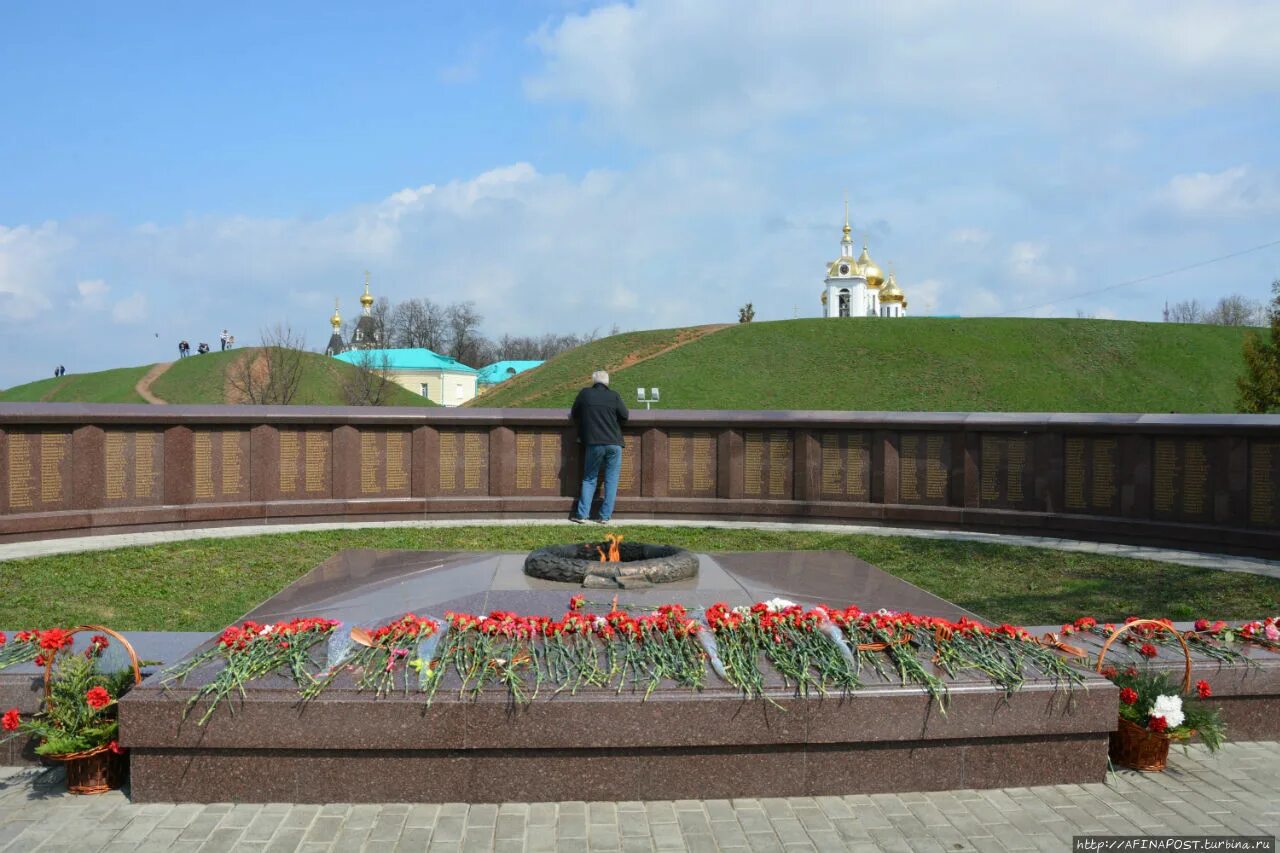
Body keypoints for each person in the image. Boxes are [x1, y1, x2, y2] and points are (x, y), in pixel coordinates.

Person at [569, 370, 629, 524]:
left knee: (590, 478)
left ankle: (582, 515)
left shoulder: (585, 394)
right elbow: (625, 415)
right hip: (614, 442)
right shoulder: (614, 395)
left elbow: (574, 412)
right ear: (607, 382)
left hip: (594, 442)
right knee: (612, 480)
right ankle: (604, 517)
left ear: (593, 381)